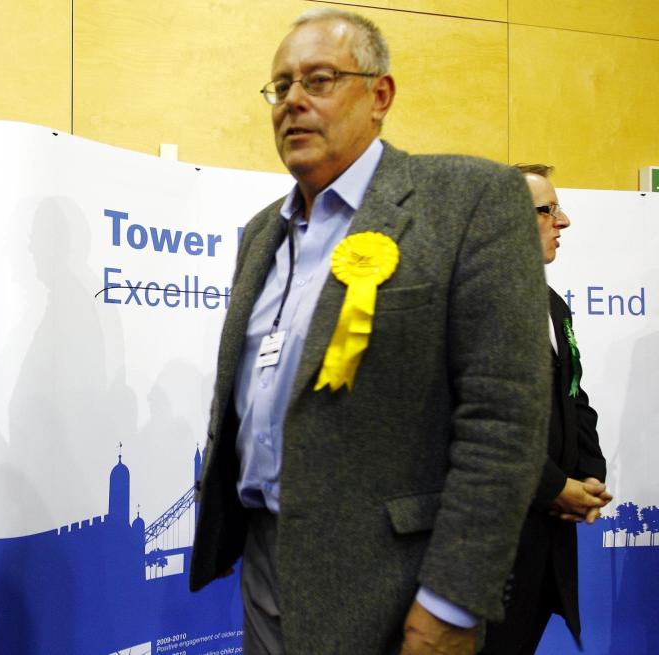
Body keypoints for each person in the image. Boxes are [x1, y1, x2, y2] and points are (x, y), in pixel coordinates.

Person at [189, 9, 551, 655]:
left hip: (399, 583)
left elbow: (503, 420)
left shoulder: (470, 200)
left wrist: (452, 600)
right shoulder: (261, 231)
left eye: (319, 79)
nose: (293, 102)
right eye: (280, 86)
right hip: (268, 561)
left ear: (379, 95)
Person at [481, 165, 611, 654]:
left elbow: (574, 396)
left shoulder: (554, 305)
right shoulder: (469, 301)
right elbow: (476, 427)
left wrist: (588, 482)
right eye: (548, 209)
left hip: (545, 542)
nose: (564, 221)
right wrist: (556, 489)